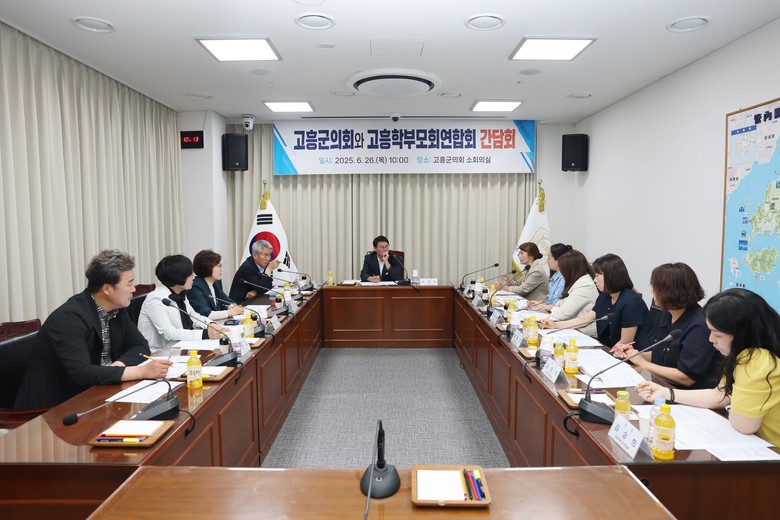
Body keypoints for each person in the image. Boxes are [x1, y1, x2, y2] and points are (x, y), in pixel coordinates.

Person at [14, 250, 172, 410]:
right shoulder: (69, 317)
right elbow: (82, 373)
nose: (133, 289)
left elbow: (140, 346)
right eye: (129, 284)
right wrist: (140, 372)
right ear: (107, 289)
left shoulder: (117, 308)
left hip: (97, 391)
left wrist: (118, 366)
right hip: (53, 407)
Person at [637, 289, 780, 446]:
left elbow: (744, 425)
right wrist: (666, 392)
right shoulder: (750, 353)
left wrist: (731, 407)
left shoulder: (757, 360)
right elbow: (720, 394)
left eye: (717, 334)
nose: (711, 339)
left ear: (742, 333)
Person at [614, 263, 722, 389]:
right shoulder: (665, 315)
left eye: (655, 288)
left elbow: (686, 378)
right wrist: (633, 354)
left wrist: (643, 363)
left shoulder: (700, 326)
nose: (653, 292)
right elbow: (661, 354)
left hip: (688, 395)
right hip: (662, 388)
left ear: (670, 291)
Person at [544, 253, 651, 348]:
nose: (595, 280)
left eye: (598, 275)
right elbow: (585, 319)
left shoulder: (631, 302)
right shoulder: (605, 296)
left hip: (631, 356)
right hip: (608, 348)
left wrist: (607, 355)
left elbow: (625, 342)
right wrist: (555, 325)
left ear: (611, 276)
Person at [137, 255, 224, 350]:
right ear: (179, 277)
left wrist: (211, 324)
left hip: (180, 346)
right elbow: (169, 333)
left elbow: (194, 316)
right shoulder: (156, 299)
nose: (193, 277)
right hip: (158, 352)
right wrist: (205, 333)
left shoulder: (180, 293)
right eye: (190, 274)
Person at [535, 250, 598, 337]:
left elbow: (563, 314)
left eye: (563, 269)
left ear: (570, 270)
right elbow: (559, 304)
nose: (561, 273)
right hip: (570, 329)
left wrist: (550, 309)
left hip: (583, 334)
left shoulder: (585, 285)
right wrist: (548, 307)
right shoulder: (576, 281)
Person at [188, 249, 244, 320]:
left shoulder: (214, 283)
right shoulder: (195, 287)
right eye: (218, 266)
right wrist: (230, 312)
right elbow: (206, 314)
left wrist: (233, 307)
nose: (221, 269)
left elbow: (226, 301)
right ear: (207, 267)